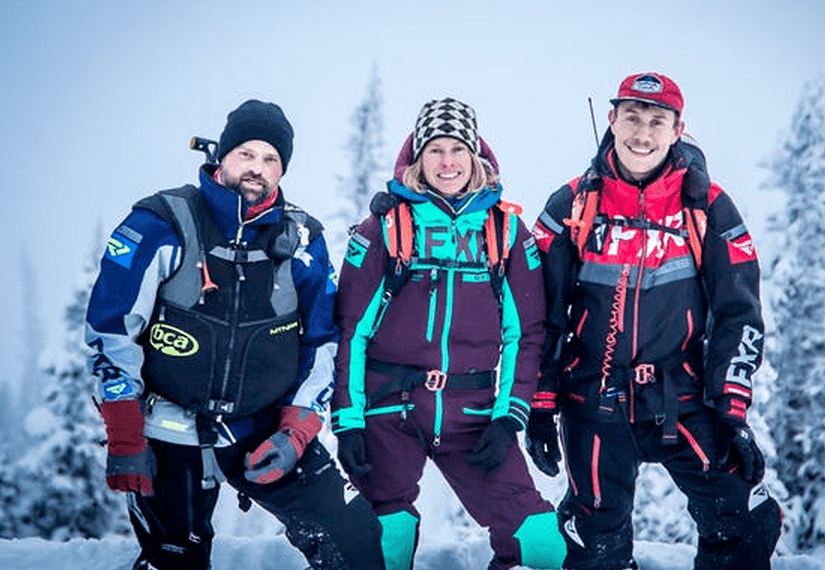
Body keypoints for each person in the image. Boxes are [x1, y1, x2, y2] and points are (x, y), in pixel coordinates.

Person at [86, 99, 385, 570]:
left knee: (358, 542)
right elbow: (111, 329)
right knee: (174, 560)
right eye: (246, 153)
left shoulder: (302, 238)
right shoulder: (162, 223)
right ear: (221, 156)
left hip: (261, 426)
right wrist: (125, 430)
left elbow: (324, 341)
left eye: (271, 159)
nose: (257, 168)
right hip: (168, 425)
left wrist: (298, 430)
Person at [527, 73, 782, 570]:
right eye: (633, 117)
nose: (642, 133)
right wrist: (540, 401)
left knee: (747, 516)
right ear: (612, 119)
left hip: (682, 399)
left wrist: (731, 408)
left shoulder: (709, 206)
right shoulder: (573, 204)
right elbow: (540, 311)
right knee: (595, 542)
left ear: (678, 129)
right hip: (592, 400)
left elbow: (739, 313)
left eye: (657, 121)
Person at [331, 98, 567, 570]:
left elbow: (526, 337)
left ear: (476, 157)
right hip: (389, 408)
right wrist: (349, 421)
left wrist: (509, 417)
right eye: (434, 150)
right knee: (385, 539)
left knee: (541, 541)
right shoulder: (383, 228)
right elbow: (351, 332)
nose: (447, 162)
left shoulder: (508, 234)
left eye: (458, 149)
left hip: (473, 414)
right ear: (418, 158)